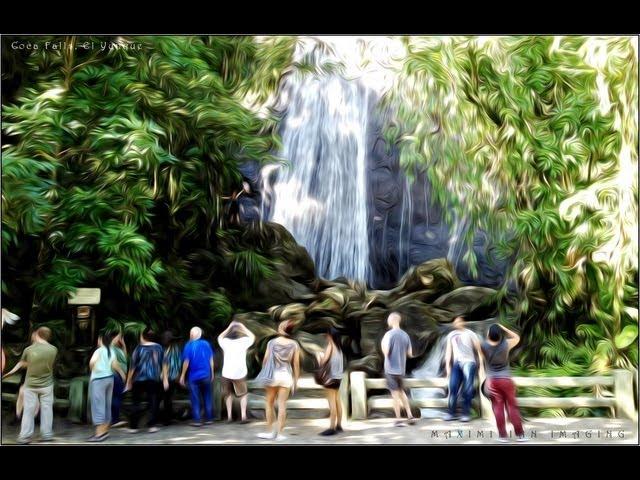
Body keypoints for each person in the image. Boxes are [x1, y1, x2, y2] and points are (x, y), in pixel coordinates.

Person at [2, 326, 57, 444]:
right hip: (47, 385)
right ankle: (47, 434)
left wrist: (8, 373)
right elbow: (47, 364)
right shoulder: (53, 349)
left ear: (37, 334)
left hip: (31, 385)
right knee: (47, 409)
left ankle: (25, 436)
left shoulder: (29, 350)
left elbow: (22, 364)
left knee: (28, 410)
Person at [481, 324, 527, 442]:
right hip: (506, 380)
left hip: (491, 382)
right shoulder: (506, 344)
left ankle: (503, 436)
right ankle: (520, 435)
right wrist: (504, 328)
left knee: (498, 408)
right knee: (512, 407)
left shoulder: (483, 346)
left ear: (489, 334)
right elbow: (517, 337)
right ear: (500, 335)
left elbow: (481, 355)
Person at [255, 320, 301, 441]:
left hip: (272, 376)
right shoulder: (294, 344)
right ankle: (280, 434)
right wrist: (296, 381)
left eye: (281, 325)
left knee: (269, 403)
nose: (279, 326)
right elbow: (296, 364)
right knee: (282, 406)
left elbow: (265, 360)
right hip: (286, 376)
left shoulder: (271, 342)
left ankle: (270, 432)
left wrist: (264, 371)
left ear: (282, 329)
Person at [444, 315, 484, 422]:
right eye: (455, 322)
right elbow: (449, 351)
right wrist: (448, 366)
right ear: (453, 324)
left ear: (464, 322)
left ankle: (466, 414)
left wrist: (481, 367)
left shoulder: (470, 333)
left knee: (468, 388)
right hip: (457, 364)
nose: (458, 323)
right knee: (453, 387)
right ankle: (451, 413)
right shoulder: (451, 335)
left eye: (460, 321)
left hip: (469, 363)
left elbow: (479, 351)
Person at [88, 331, 126, 442]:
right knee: (106, 405)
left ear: (100, 340)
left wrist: (94, 370)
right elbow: (115, 365)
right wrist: (123, 375)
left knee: (98, 405)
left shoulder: (99, 351)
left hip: (99, 380)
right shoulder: (111, 351)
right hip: (109, 379)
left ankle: (99, 434)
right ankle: (104, 432)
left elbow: (92, 363)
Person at [381, 312, 416, 427]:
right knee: (402, 393)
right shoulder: (405, 335)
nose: (387, 322)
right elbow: (410, 354)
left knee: (395, 395)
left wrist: (382, 345)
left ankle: (398, 420)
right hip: (401, 369)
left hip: (391, 369)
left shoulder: (388, 335)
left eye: (388, 320)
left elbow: (386, 352)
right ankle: (410, 415)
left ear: (392, 321)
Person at [126, 328, 164, 433]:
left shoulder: (138, 348)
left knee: (136, 402)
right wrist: (164, 378)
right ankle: (152, 426)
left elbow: (132, 367)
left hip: (138, 379)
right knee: (153, 402)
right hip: (153, 379)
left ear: (142, 336)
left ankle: (133, 427)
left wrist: (129, 381)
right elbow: (164, 363)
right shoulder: (159, 348)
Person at [218, 320, 255, 423]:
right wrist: (242, 326)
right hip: (240, 372)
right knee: (243, 394)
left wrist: (229, 327)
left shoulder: (225, 342)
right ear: (239, 334)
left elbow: (219, 337)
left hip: (226, 372)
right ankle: (243, 416)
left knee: (228, 394)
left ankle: (229, 417)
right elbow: (252, 336)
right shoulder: (244, 341)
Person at [180, 327, 215, 427]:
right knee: (207, 397)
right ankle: (209, 419)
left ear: (192, 335)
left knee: (195, 398)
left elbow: (186, 362)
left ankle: (197, 421)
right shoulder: (206, 344)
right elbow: (211, 359)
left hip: (193, 377)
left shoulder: (188, 345)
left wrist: (182, 375)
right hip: (206, 375)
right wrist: (212, 373)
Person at [315, 327, 344, 436]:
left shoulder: (330, 346)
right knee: (337, 401)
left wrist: (319, 357)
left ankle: (331, 428)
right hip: (338, 378)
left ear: (330, 336)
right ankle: (339, 425)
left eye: (327, 335)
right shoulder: (339, 348)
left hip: (330, 378)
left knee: (332, 403)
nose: (326, 337)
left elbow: (323, 362)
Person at [161, 330, 182, 425]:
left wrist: (165, 379)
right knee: (168, 399)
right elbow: (179, 363)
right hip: (173, 377)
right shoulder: (176, 348)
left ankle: (166, 420)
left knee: (167, 399)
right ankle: (167, 418)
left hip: (167, 378)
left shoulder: (164, 349)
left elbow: (165, 365)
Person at [110, 331, 128, 428]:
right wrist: (122, 374)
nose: (120, 339)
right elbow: (114, 363)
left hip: (119, 376)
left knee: (117, 397)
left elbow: (125, 358)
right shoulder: (111, 348)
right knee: (116, 397)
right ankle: (114, 420)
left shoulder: (118, 349)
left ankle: (114, 418)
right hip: (116, 375)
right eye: (119, 338)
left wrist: (124, 345)